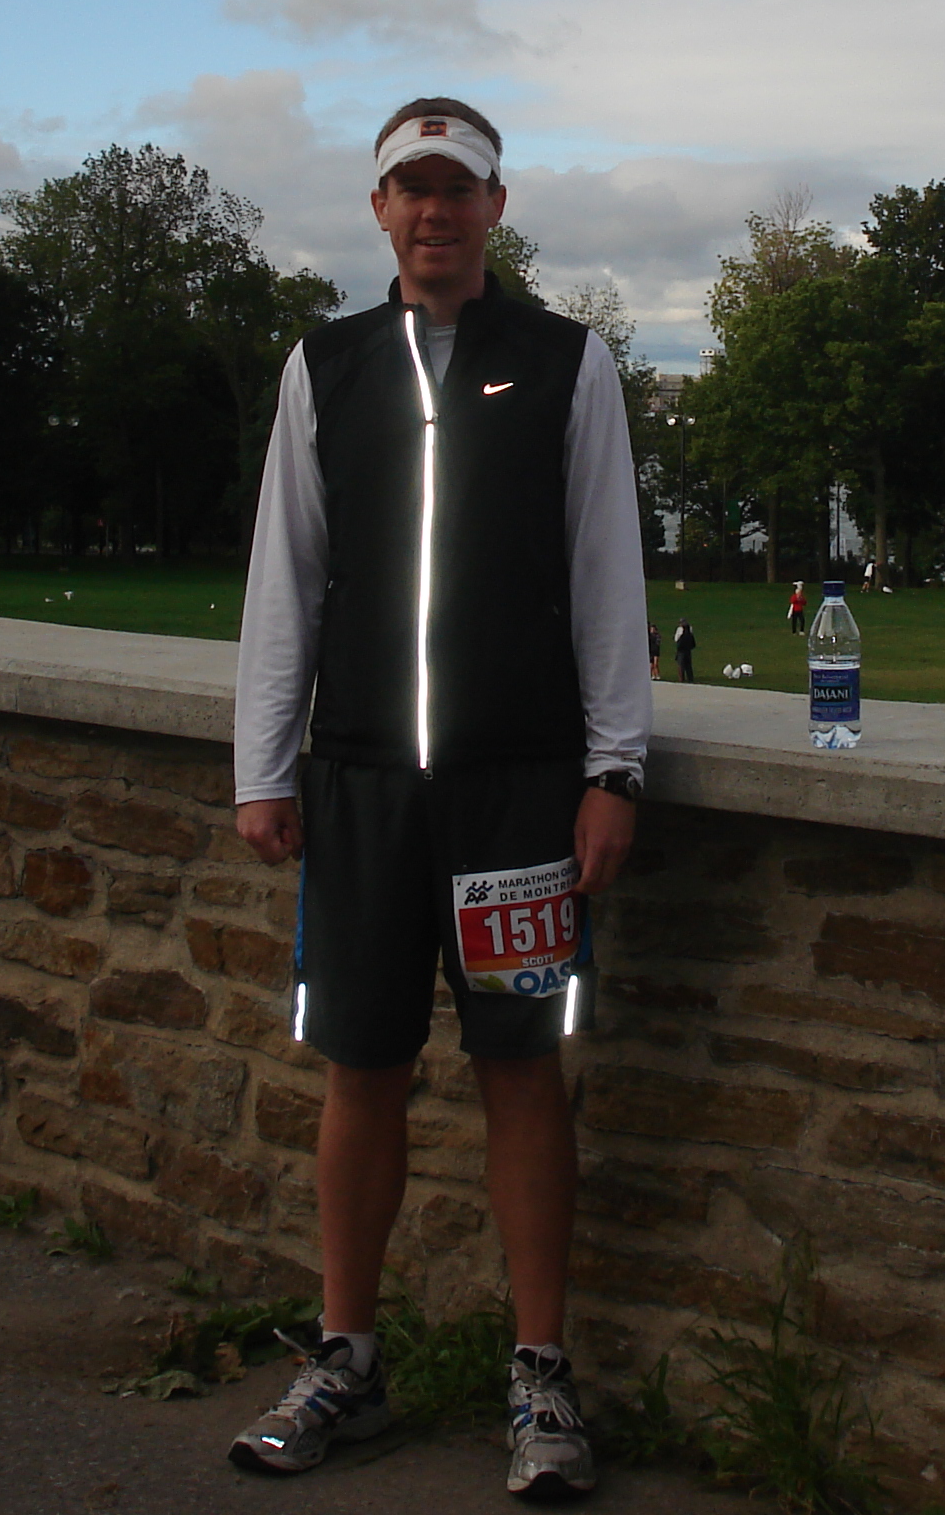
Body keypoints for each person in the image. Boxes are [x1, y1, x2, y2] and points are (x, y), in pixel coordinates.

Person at [229, 98, 648, 1502]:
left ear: (494, 208)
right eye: (411, 188)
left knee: (521, 1068)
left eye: (457, 189)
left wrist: (613, 769)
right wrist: (264, 766)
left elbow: (606, 573)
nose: (434, 212)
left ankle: (540, 1373)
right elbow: (287, 572)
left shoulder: (568, 363)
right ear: (379, 209)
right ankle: (346, 1356)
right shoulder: (327, 366)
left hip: (518, 789)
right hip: (359, 784)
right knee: (363, 1067)